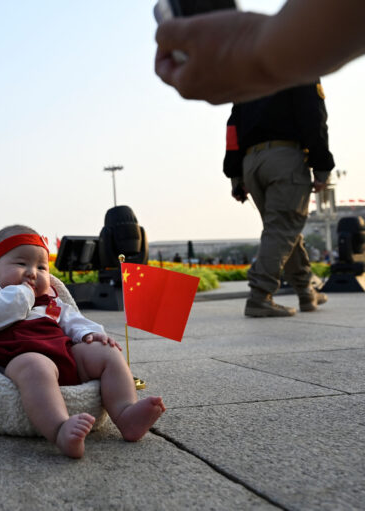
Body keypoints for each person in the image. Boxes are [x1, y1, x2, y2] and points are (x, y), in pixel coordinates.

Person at [0, 225, 165, 458]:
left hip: (65, 355)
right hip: (19, 357)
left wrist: (91, 334)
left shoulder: (51, 301)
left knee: (107, 353)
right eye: (21, 264)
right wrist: (23, 293)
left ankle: (125, 413)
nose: (32, 273)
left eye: (41, 267)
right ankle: (60, 429)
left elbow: (73, 320)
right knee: (36, 367)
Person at [223, 81, 333, 317]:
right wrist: (322, 167)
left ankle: (306, 290)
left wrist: (235, 175)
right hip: (285, 158)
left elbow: (233, 128)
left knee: (283, 230)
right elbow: (314, 117)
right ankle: (259, 296)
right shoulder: (300, 68)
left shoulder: (248, 76)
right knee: (283, 229)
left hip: (252, 164)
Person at [155, 0, 365, 104]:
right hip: (283, 158)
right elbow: (309, 112)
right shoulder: (298, 77)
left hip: (254, 163)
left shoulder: (240, 79)